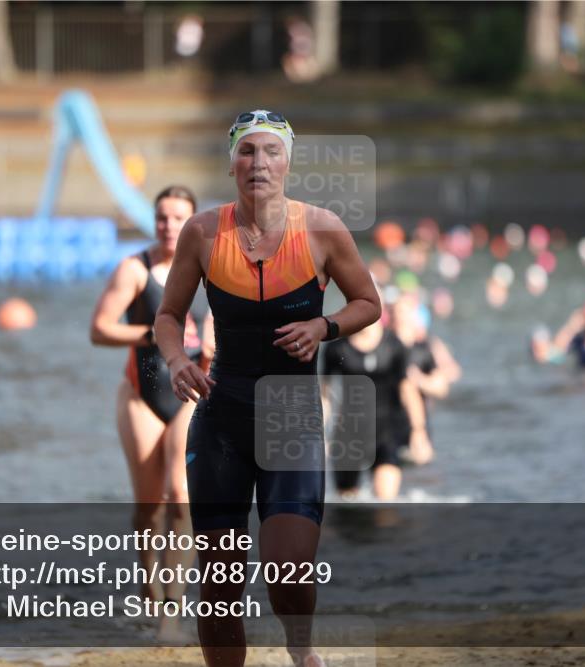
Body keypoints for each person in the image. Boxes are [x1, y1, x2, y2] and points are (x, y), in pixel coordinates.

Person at [154, 110, 380, 667]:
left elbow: (370, 304)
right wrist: (178, 357)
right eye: (247, 152)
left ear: (288, 161)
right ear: (232, 163)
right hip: (221, 413)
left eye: (270, 152)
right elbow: (167, 316)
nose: (259, 163)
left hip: (291, 415)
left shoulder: (322, 229)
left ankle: (300, 651)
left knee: (287, 567)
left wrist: (322, 327)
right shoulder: (203, 233)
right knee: (219, 587)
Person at [89, 185, 213, 642]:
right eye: (162, 217)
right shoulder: (134, 270)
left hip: (189, 395)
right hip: (140, 394)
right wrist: (156, 334)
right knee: (149, 505)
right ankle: (148, 585)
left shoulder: (209, 269)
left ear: (193, 223)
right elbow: (99, 329)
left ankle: (171, 617)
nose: (168, 226)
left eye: (178, 218)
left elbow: (223, 321)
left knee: (180, 496)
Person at [321, 306, 430, 499]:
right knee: (347, 507)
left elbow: (408, 390)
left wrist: (419, 431)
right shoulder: (337, 348)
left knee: (385, 506)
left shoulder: (394, 345)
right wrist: (318, 435)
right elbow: (325, 396)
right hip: (348, 435)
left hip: (386, 432)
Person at [389, 293, 461, 465]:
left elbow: (442, 387)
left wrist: (419, 380)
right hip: (386, 427)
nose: (399, 316)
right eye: (396, 311)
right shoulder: (384, 346)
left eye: (404, 312)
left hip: (418, 430)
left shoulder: (423, 349)